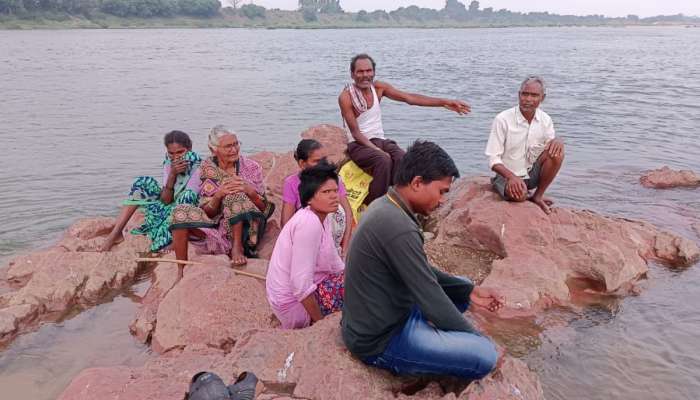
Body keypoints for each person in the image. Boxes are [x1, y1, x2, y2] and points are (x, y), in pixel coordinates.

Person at [341, 140, 505, 380]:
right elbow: (428, 292)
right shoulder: (397, 225)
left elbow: (421, 272)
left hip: (388, 312)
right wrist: (475, 337)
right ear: (417, 182)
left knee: (458, 284)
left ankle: (440, 327)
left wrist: (468, 290)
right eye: (441, 192)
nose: (442, 201)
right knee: (484, 355)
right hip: (380, 339)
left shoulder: (387, 205)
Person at [339, 53, 471, 205]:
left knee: (402, 157)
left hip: (379, 139)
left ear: (374, 72)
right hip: (358, 144)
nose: (365, 75)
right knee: (383, 160)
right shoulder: (346, 97)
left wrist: (444, 102)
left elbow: (410, 98)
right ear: (352, 74)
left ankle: (399, 200)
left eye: (368, 71)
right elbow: (355, 133)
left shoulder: (379, 88)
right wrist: (377, 150)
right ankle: (373, 205)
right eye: (360, 72)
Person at [170, 125, 274, 277]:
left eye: (236, 144)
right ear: (214, 150)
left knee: (234, 194)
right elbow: (209, 213)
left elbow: (265, 209)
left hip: (247, 226)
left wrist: (250, 192)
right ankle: (181, 269)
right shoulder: (207, 169)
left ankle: (237, 248)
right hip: (217, 224)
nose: (234, 150)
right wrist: (218, 195)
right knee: (179, 212)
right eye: (228, 146)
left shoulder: (251, 167)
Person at [267, 162, 345, 329]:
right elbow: (300, 286)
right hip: (294, 305)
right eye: (326, 192)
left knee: (360, 277)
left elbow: (334, 261)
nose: (334, 196)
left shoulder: (323, 217)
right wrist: (320, 325)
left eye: (335, 191)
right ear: (309, 198)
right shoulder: (308, 223)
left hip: (309, 290)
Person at [100, 130, 201, 252]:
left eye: (180, 152)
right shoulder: (169, 163)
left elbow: (189, 199)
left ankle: (167, 238)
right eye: (171, 153)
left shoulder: (198, 167)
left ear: (189, 149)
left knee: (187, 195)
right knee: (142, 183)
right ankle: (115, 234)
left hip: (186, 209)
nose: (176, 157)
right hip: (168, 203)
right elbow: (165, 200)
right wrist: (172, 175)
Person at [485, 76, 564, 215]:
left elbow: (550, 149)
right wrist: (511, 177)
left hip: (530, 175)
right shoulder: (502, 119)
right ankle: (524, 194)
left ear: (542, 98)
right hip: (506, 176)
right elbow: (493, 160)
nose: (528, 99)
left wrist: (559, 140)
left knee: (557, 152)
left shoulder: (545, 120)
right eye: (524, 94)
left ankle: (537, 196)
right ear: (519, 94)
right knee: (519, 196)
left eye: (534, 95)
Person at [281, 139, 352, 255]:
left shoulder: (334, 179)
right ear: (302, 164)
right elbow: (286, 222)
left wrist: (345, 247)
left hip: (333, 236)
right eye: (316, 161)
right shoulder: (292, 183)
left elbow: (348, 213)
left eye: (324, 160)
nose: (322, 165)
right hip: (307, 237)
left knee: (337, 209)